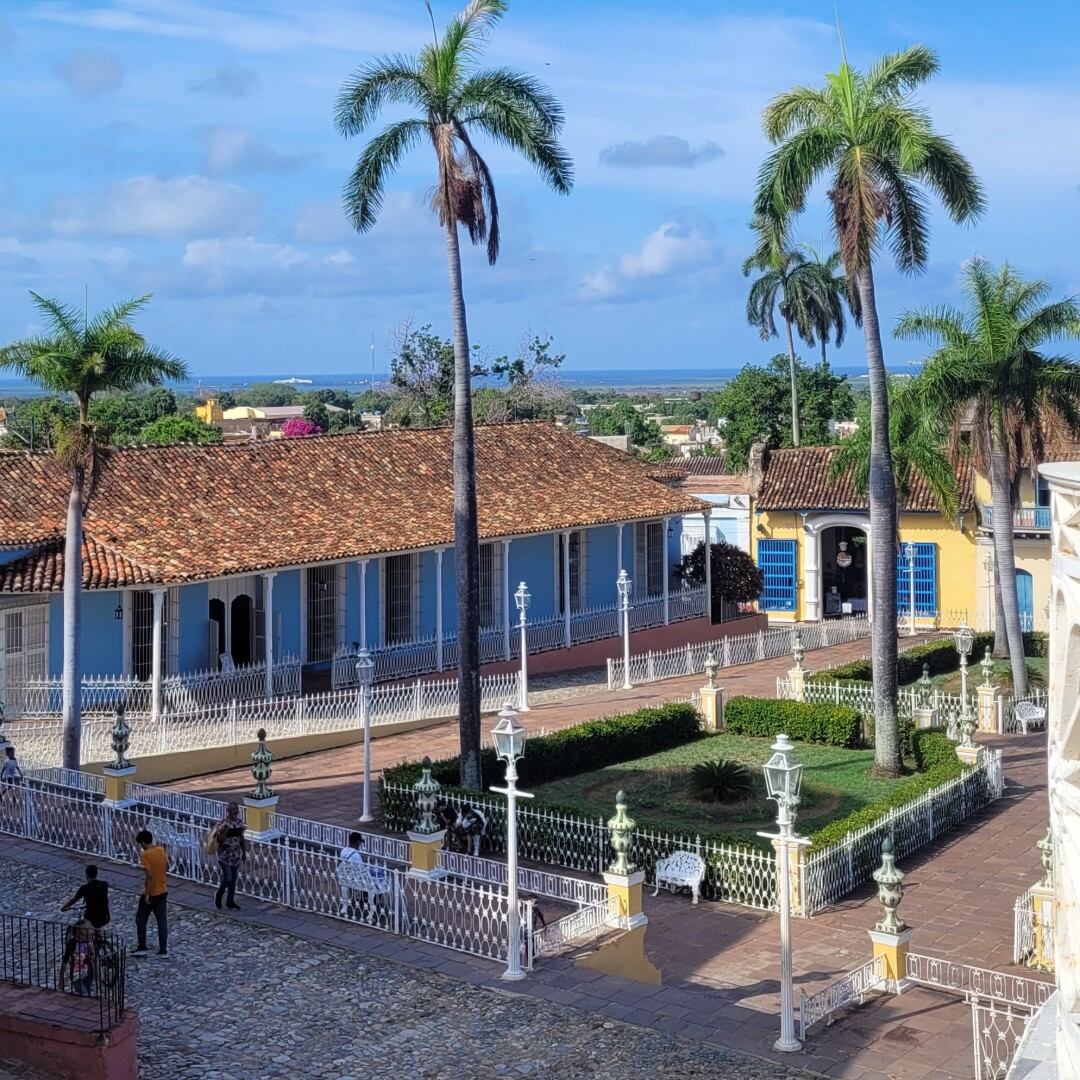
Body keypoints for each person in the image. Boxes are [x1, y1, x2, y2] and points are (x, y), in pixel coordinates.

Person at [133, 829, 168, 958]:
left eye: (140, 844)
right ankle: (163, 949)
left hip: (151, 892)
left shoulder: (146, 855)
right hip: (163, 890)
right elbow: (166, 867)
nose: (140, 847)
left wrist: (147, 894)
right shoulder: (161, 850)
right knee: (162, 921)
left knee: (141, 919)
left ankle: (142, 946)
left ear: (143, 842)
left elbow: (149, 876)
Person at [212, 803, 247, 912]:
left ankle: (230, 902)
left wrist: (244, 852)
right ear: (228, 811)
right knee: (228, 878)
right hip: (224, 856)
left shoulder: (239, 823)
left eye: (236, 810)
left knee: (233, 881)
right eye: (233, 810)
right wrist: (226, 830)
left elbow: (241, 838)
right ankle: (219, 894)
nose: (235, 812)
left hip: (236, 855)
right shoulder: (222, 823)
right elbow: (219, 840)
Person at [61, 864, 111, 930]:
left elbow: (74, 900)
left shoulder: (84, 888)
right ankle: (99, 936)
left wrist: (64, 907)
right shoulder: (104, 884)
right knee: (98, 931)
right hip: (105, 917)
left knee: (74, 929)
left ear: (86, 875)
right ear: (96, 874)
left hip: (92, 919)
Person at [60, 917, 98, 996]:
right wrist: (61, 979)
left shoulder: (89, 943)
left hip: (88, 973)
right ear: (77, 933)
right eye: (84, 932)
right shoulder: (72, 943)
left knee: (88, 993)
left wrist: (92, 951)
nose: (88, 934)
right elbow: (65, 959)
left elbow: (93, 958)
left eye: (89, 931)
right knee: (84, 994)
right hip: (76, 974)